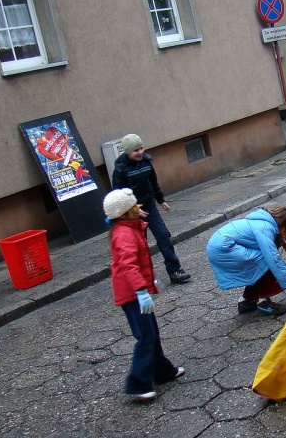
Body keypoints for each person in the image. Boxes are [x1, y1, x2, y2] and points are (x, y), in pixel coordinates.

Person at [103, 188, 185, 402]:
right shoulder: (124, 233)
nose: (138, 208)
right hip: (132, 293)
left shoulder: (129, 228)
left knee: (151, 332)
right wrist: (141, 290)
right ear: (124, 213)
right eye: (134, 206)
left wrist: (148, 283)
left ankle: (162, 371)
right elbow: (129, 265)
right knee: (145, 335)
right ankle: (138, 384)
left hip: (136, 290)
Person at [113, 134, 190, 285]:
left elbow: (153, 182)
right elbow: (118, 194)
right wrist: (132, 209)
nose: (140, 152)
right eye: (136, 150)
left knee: (164, 236)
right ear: (128, 152)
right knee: (140, 246)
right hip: (133, 214)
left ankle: (175, 271)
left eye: (141, 148)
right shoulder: (121, 168)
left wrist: (160, 200)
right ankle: (145, 278)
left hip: (150, 208)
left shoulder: (146, 162)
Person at [206, 207, 286, 316]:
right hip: (224, 248)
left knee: (257, 264)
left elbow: (274, 259)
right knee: (265, 262)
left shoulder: (261, 222)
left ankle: (247, 300)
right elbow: (273, 260)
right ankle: (264, 303)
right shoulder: (265, 228)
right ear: (283, 227)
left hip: (216, 247)